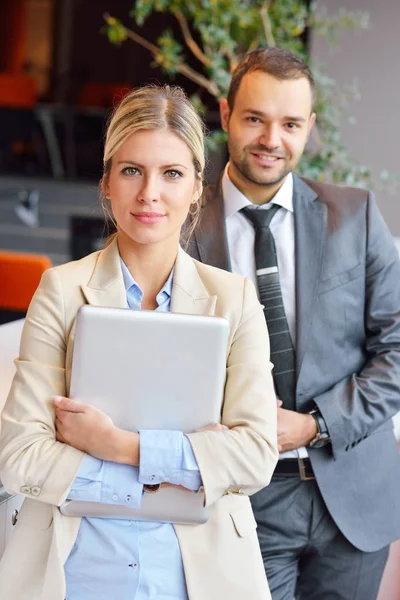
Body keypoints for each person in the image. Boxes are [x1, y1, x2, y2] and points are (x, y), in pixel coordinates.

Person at [0, 85, 279, 600]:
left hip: (199, 574)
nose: (150, 193)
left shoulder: (234, 300)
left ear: (198, 185)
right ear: (106, 182)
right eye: (131, 170)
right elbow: (21, 456)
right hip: (77, 568)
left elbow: (255, 457)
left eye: (171, 173)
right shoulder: (61, 292)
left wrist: (118, 446)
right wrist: (176, 471)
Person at [187, 47, 400, 600]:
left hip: (353, 496)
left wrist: (314, 425)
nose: (270, 139)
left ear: (310, 127)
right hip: (241, 499)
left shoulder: (355, 216)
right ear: (227, 112)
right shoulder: (182, 234)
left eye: (289, 124)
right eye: (255, 118)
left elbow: (398, 348)